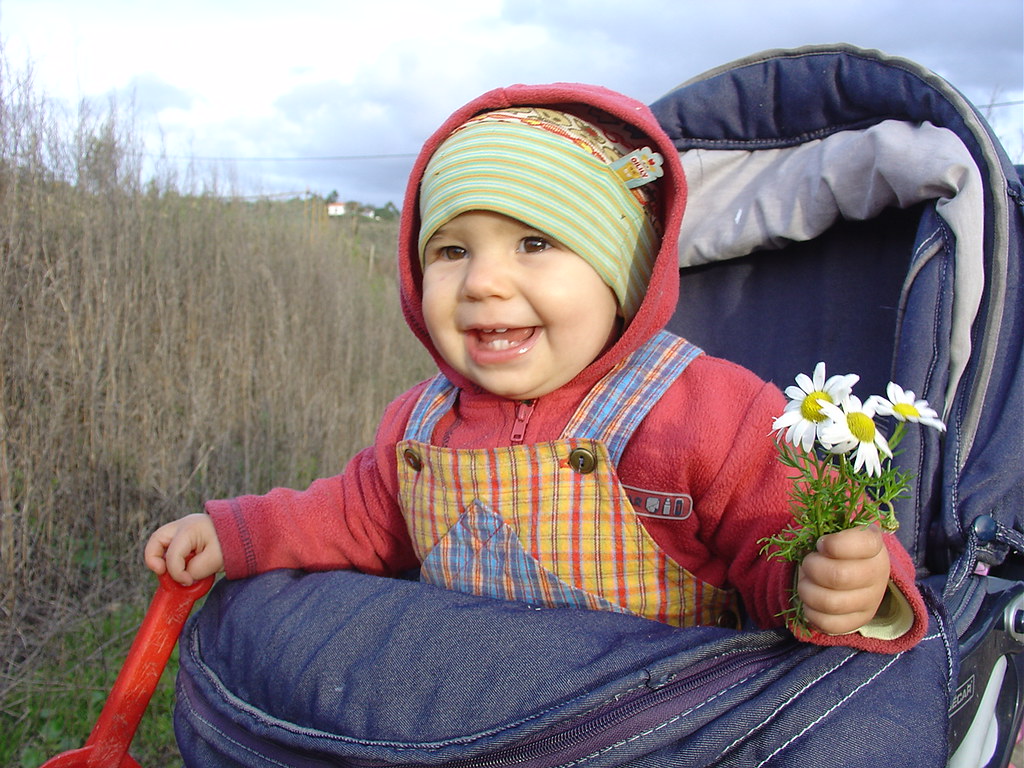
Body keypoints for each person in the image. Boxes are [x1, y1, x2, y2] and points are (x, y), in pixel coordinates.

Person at [145, 82, 927, 653]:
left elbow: (786, 527)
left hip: (661, 724)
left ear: (621, 277)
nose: (482, 281)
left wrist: (838, 583)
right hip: (473, 712)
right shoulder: (421, 425)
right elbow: (353, 518)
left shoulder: (707, 412)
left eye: (535, 243)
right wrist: (237, 532)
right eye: (452, 250)